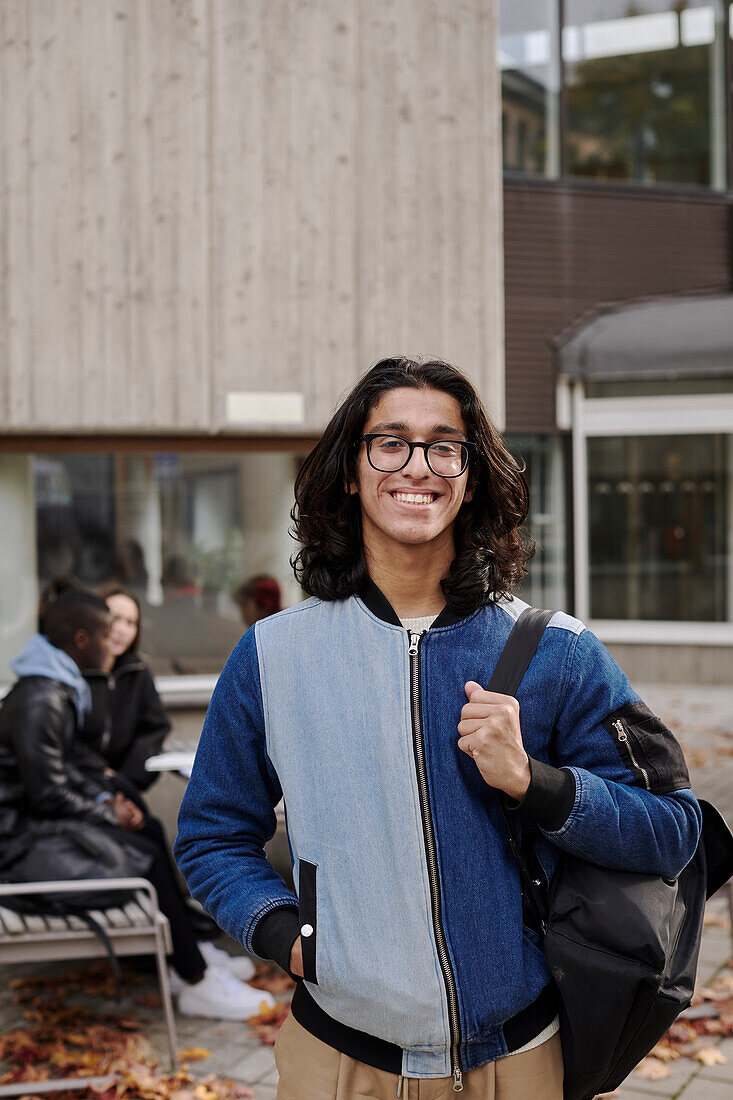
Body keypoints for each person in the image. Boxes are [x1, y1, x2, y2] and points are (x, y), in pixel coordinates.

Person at [174, 357, 701, 1099]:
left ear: (470, 477)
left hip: (518, 1059)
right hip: (337, 1062)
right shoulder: (272, 655)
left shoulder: (557, 651)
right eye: (389, 441)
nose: (416, 464)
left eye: (443, 445)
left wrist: (537, 785)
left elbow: (673, 831)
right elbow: (210, 834)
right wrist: (283, 937)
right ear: (351, 472)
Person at [0, 589, 273, 1021]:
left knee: (145, 829)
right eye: (105, 633)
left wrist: (108, 799)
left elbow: (60, 772)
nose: (113, 642)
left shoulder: (55, 687)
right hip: (16, 846)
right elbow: (46, 794)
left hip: (34, 828)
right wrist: (108, 813)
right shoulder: (42, 699)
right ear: (82, 640)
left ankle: (186, 957)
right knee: (141, 856)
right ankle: (195, 978)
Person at [78, 584, 171, 793]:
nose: (122, 630)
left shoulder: (137, 672)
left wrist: (126, 780)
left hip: (123, 787)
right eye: (115, 618)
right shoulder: (72, 673)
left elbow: (155, 729)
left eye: (131, 623)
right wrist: (100, 773)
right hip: (79, 787)